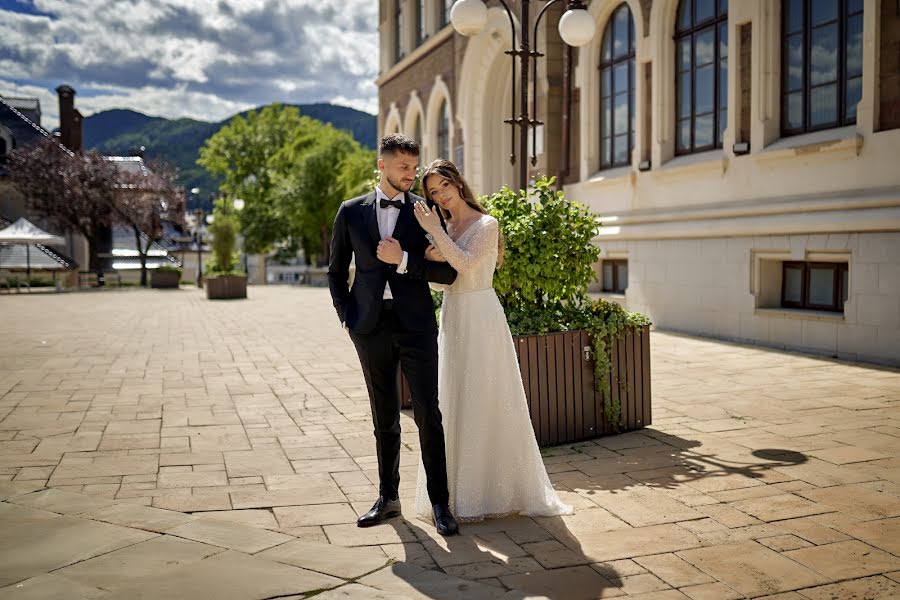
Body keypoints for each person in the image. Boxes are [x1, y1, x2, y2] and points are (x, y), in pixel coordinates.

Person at [411, 159, 573, 522]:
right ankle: (457, 491)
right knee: (455, 397)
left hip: (482, 316)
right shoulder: (447, 226)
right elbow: (442, 282)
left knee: (487, 394)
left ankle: (495, 492)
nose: (441, 195)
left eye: (444, 187)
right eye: (434, 192)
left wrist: (436, 235)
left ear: (458, 182)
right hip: (453, 316)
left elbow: (467, 266)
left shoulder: (487, 224)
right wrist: (428, 254)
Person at [327, 134, 460, 536]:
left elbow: (447, 272)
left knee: (428, 413)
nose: (411, 175)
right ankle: (388, 498)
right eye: (404, 167)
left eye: (414, 168)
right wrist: (346, 317)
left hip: (416, 324)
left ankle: (440, 503)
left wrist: (404, 261)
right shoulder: (350, 212)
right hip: (368, 326)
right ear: (382, 165)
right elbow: (335, 270)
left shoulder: (425, 213)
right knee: (383, 416)